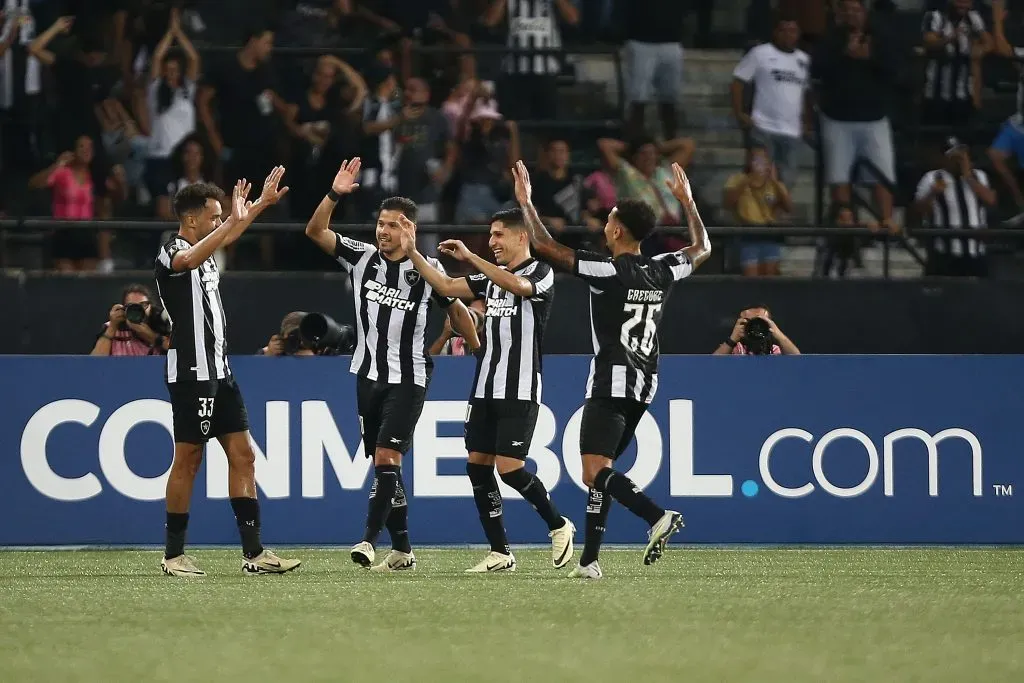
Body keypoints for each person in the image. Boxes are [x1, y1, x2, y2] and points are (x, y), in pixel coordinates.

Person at [511, 159, 711, 578]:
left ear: (618, 230)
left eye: (609, 219)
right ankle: (590, 561)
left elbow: (547, 247)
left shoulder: (609, 270)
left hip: (610, 382)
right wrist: (688, 203)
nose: (604, 224)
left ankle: (655, 516)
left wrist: (526, 204)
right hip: (644, 383)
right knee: (601, 471)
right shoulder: (661, 269)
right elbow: (702, 248)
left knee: (593, 470)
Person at [304, 158, 481, 572]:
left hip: (409, 378)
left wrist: (473, 342)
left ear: (410, 229)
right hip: (366, 377)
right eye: (380, 224)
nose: (383, 231)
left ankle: (368, 541)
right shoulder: (362, 257)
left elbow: (455, 310)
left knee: (387, 459)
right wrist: (333, 194)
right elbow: (314, 231)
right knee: (385, 466)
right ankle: (402, 550)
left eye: (393, 225)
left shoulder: (428, 270)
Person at [397, 207, 576, 573]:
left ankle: (559, 525)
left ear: (521, 237)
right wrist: (413, 251)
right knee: (477, 467)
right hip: (484, 387)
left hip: (520, 386)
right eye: (490, 235)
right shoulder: (490, 279)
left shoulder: (541, 272)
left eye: (498, 235)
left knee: (510, 469)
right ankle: (500, 552)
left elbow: (517, 286)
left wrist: (471, 257)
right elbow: (446, 287)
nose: (492, 242)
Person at [154, 167, 300, 577]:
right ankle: (173, 556)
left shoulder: (208, 246)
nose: (219, 224)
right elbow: (191, 256)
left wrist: (257, 208)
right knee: (188, 459)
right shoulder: (172, 250)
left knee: (243, 455)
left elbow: (228, 237)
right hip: (191, 371)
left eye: (220, 217)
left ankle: (254, 554)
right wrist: (235, 220)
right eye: (214, 217)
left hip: (220, 370)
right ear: (191, 219)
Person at [731, 14, 811, 186]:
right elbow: (738, 83)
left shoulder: (804, 60)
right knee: (758, 178)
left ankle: (774, 214)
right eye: (783, 30)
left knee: (786, 184)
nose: (788, 35)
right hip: (763, 128)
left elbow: (806, 94)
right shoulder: (760, 53)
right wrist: (740, 113)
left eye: (792, 31)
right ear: (775, 32)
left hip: (792, 132)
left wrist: (807, 122)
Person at [912, 137, 996, 277]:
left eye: (962, 155)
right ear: (945, 158)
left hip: (975, 252)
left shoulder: (979, 176)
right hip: (944, 253)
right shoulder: (931, 177)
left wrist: (968, 176)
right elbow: (917, 211)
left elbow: (990, 200)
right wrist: (932, 194)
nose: (959, 160)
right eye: (954, 156)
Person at [723, 145, 793, 276]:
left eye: (764, 160)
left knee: (771, 274)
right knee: (751, 276)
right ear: (749, 161)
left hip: (769, 232)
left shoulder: (775, 183)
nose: (760, 164)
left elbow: (788, 208)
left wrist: (775, 181)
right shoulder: (737, 179)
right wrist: (746, 181)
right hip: (748, 233)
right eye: (757, 159)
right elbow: (728, 203)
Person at [90, 284, 169, 356]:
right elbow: (96, 363)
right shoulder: (113, 328)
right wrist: (112, 327)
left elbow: (176, 353)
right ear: (124, 308)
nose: (138, 310)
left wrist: (152, 337)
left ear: (151, 306)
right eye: (131, 306)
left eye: (143, 305)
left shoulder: (161, 325)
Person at [713, 307, 801, 355]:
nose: (755, 327)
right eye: (749, 322)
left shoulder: (774, 350)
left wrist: (778, 334)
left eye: (760, 322)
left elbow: (797, 361)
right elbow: (711, 365)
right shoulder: (734, 349)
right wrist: (732, 340)